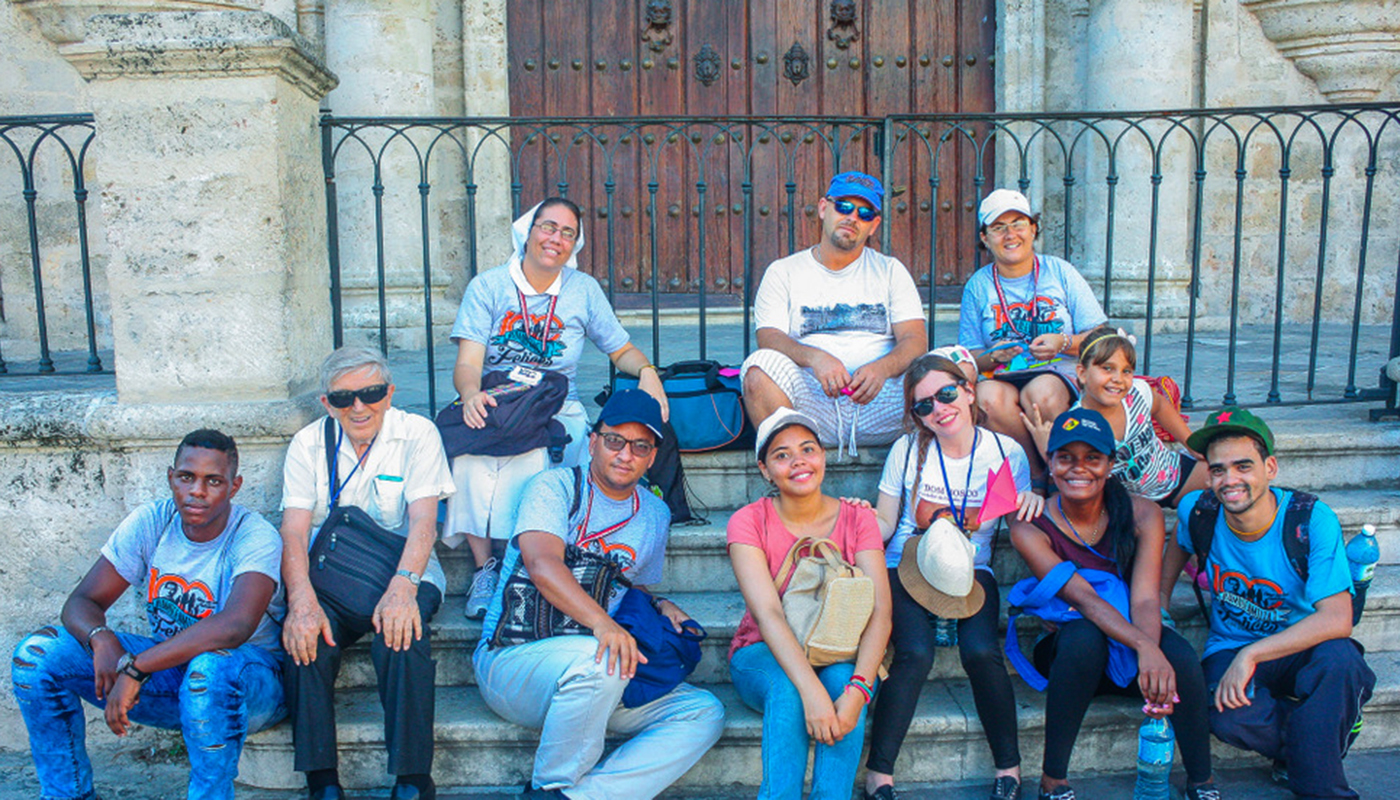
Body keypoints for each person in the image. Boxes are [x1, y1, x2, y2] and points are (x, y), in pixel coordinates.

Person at [473, 389, 724, 800]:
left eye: (640, 446)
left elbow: (631, 584)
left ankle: (572, 798)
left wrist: (660, 604)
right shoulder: (554, 486)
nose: (625, 454)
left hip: (599, 676)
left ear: (652, 457)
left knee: (702, 713)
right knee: (602, 659)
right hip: (516, 661)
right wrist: (603, 625)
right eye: (614, 441)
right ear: (592, 442)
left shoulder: (655, 514)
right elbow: (541, 563)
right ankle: (550, 783)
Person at [12, 429, 285, 800]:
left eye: (213, 481)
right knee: (38, 656)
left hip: (252, 687)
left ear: (234, 487)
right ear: (171, 477)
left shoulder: (254, 535)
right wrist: (101, 639)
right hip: (171, 676)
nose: (197, 491)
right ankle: (66, 795)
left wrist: (136, 668)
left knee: (211, 669)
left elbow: (235, 626)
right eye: (186, 477)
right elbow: (81, 602)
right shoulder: (153, 521)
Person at [448, 197, 669, 619]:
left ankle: (539, 557)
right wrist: (471, 393)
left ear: (575, 244)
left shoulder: (582, 289)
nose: (556, 239)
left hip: (556, 405)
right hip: (499, 400)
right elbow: (468, 362)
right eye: (548, 227)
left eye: (568, 233)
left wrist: (647, 371)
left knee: (550, 459)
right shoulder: (489, 286)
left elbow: (619, 348)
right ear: (528, 232)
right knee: (471, 449)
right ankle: (485, 568)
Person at [1162, 407, 1376, 799]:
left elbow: (1338, 619)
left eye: (1243, 466)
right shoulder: (1198, 511)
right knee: (1226, 716)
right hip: (1230, 644)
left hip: (1303, 644)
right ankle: (1328, 728)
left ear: (1270, 468)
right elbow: (1177, 548)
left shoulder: (1309, 520)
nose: (1230, 480)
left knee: (1342, 663)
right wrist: (1159, 607)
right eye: (1218, 469)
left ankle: (1324, 789)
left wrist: (1253, 655)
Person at [1010, 408, 1219, 800]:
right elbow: (1084, 598)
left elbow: (1145, 597)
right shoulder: (1028, 523)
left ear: (1110, 464)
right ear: (1050, 463)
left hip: (1131, 639)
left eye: (1093, 458)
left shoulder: (1143, 513)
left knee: (1181, 657)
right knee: (1084, 637)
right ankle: (1053, 781)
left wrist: (1151, 652)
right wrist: (1145, 647)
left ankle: (1202, 782)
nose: (1079, 468)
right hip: (1071, 657)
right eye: (1066, 457)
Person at [863, 352, 1042, 800]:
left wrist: (1036, 500)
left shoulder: (1006, 452)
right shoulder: (908, 450)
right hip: (907, 560)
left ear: (968, 391)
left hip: (971, 567)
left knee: (981, 651)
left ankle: (1009, 767)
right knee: (914, 653)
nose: (939, 410)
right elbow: (886, 523)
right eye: (924, 405)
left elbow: (1019, 521)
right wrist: (858, 520)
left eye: (946, 394)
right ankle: (879, 774)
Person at [279, 346, 455, 800]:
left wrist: (403, 587)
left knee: (402, 633)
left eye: (371, 393)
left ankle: (413, 780)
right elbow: (293, 531)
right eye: (344, 398)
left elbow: (424, 522)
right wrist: (301, 600)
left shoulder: (417, 433)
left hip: (404, 568)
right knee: (305, 641)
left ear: (390, 393)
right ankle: (322, 782)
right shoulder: (308, 444)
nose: (359, 406)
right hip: (333, 576)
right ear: (327, 403)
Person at [727, 408, 893, 799]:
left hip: (837, 649)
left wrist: (858, 692)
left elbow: (881, 612)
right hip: (761, 651)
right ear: (765, 470)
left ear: (822, 456)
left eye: (808, 449)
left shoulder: (858, 519)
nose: (798, 461)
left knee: (843, 682)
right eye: (782, 455)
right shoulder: (748, 521)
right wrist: (812, 693)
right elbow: (768, 614)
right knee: (787, 689)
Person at [742, 171, 928, 457]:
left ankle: (939, 475)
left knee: (953, 365)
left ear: (874, 225)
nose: (852, 217)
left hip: (883, 402)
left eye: (864, 213)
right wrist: (815, 358)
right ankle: (797, 472)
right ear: (823, 208)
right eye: (843, 206)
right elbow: (769, 337)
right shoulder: (783, 272)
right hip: (811, 406)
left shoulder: (891, 271)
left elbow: (915, 340)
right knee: (758, 367)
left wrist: (882, 369)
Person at [958, 189, 1107, 485]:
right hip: (1005, 376)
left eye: (1018, 224)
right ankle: (1036, 476)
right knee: (986, 398)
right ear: (985, 238)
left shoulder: (1060, 272)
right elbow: (970, 355)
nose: (1010, 234)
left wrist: (1064, 342)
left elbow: (1102, 337)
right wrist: (993, 356)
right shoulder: (978, 285)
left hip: (1057, 373)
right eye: (998, 227)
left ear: (1033, 229)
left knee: (1040, 394)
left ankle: (1061, 474)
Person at [1026, 325, 1208, 506]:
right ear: (1082, 373)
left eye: (1126, 371)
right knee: (1147, 516)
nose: (1118, 379)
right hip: (1126, 501)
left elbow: (1159, 406)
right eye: (1107, 368)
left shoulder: (1137, 393)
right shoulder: (1077, 422)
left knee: (1217, 468)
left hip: (1174, 475)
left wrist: (1190, 443)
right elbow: (1073, 470)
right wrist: (1046, 450)